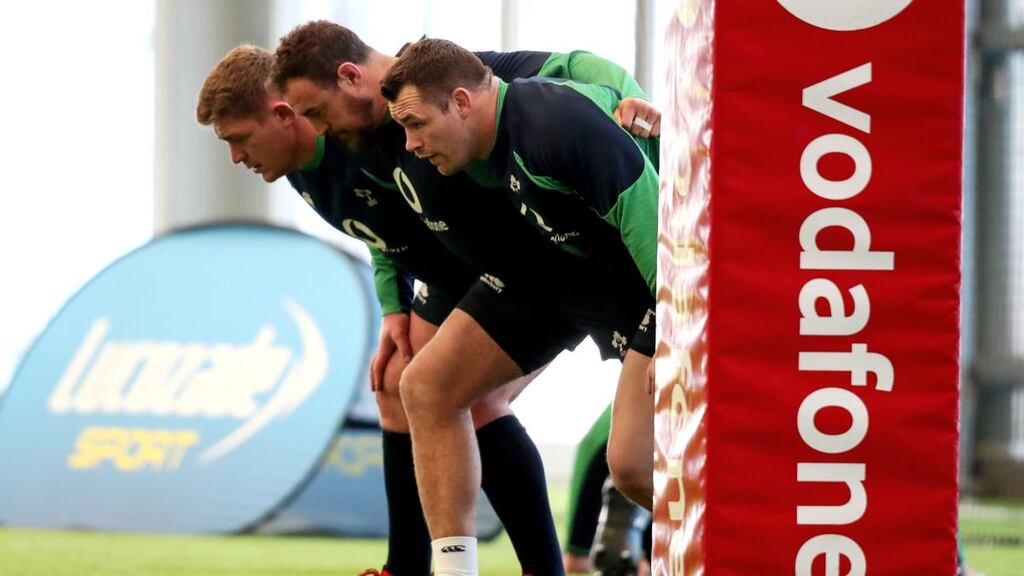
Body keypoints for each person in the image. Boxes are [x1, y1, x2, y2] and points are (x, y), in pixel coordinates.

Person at [270, 23, 658, 576]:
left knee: (629, 464)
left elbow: (576, 70)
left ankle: (725, 542)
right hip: (529, 277)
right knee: (422, 388)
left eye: (313, 110)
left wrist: (631, 103)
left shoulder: (468, 88)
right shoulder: (367, 137)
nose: (316, 127)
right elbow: (380, 230)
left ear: (351, 78)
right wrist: (393, 306)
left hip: (608, 277)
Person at [196, 45, 570, 576]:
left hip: (517, 269)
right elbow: (378, 234)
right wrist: (393, 310)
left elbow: (539, 76)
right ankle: (407, 566)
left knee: (465, 396)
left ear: (284, 117)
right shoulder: (298, 164)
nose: (237, 157)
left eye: (238, 139)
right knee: (396, 381)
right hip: (450, 278)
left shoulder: (363, 135)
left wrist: (618, 98)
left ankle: (542, 568)